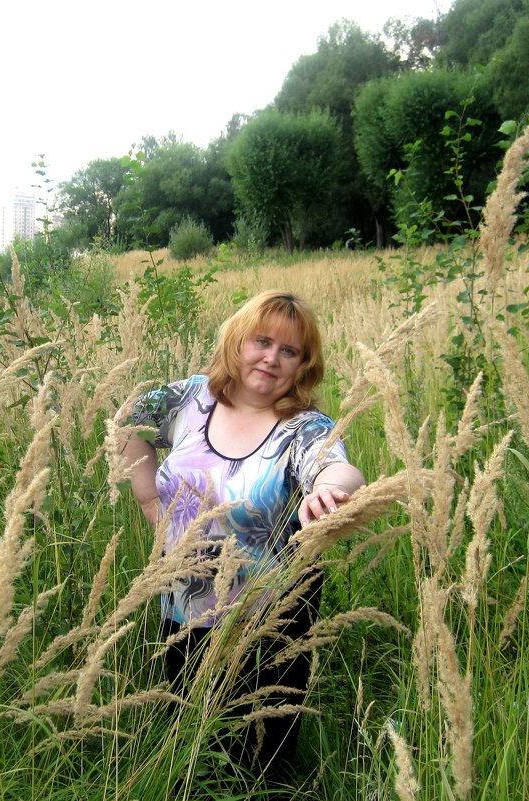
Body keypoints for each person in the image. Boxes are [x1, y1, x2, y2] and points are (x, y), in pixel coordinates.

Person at [123, 290, 365, 788]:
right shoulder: (189, 399)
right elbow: (130, 423)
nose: (272, 358)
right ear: (238, 341)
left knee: (259, 761)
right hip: (185, 603)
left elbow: (338, 467)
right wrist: (150, 501)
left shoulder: (303, 428)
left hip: (269, 619)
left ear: (303, 365)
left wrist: (329, 492)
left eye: (290, 351)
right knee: (192, 746)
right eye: (262, 341)